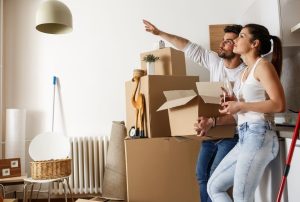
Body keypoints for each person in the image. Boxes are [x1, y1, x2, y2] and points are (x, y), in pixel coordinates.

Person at [143, 19, 245, 202]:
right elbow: (188, 47)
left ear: (238, 46)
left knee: (215, 180)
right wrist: (160, 34)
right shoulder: (215, 62)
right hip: (210, 132)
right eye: (223, 39)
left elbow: (241, 115)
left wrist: (212, 121)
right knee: (202, 177)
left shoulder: (244, 74)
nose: (222, 43)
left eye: (228, 41)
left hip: (232, 135)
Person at [206, 24, 285, 202]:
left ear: (254, 43)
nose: (235, 40)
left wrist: (241, 106)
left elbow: (279, 104)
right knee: (214, 187)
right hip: (244, 136)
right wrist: (233, 100)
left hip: (259, 134)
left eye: (241, 36)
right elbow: (249, 102)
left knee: (241, 197)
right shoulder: (245, 72)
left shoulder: (263, 66)